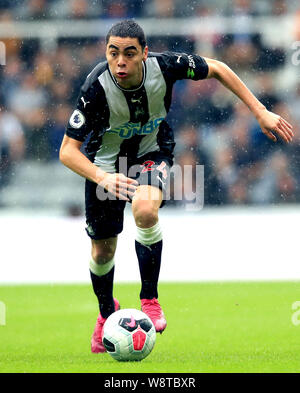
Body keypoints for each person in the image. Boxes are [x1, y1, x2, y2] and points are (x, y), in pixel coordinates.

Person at [59, 20, 293, 353]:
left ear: (145, 53)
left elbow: (218, 68)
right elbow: (67, 151)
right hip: (106, 167)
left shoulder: (165, 66)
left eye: (129, 53)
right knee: (102, 251)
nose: (120, 62)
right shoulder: (95, 88)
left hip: (152, 153)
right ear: (106, 53)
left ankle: (149, 299)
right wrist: (103, 177)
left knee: (145, 209)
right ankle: (105, 314)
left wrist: (259, 111)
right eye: (114, 53)